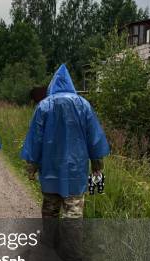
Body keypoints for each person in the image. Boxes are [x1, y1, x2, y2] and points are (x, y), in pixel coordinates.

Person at [21, 64, 110, 219]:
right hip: (76, 170)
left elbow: (36, 139)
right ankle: (71, 243)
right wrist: (97, 164)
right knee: (73, 214)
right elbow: (94, 138)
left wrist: (32, 166)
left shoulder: (44, 106)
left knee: (50, 211)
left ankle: (49, 242)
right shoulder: (83, 105)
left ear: (52, 85)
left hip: (50, 169)